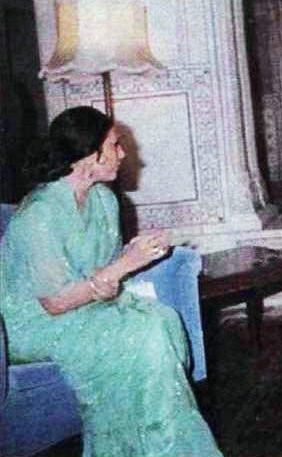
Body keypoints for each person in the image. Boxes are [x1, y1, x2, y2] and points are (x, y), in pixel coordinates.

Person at [0, 106, 222, 456]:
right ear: (89, 154)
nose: (123, 154)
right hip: (32, 321)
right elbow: (54, 302)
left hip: (84, 308)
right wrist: (124, 264)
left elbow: (104, 272)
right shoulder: (39, 214)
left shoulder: (104, 200)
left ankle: (160, 445)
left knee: (162, 320)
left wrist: (136, 254)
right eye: (115, 145)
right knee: (140, 335)